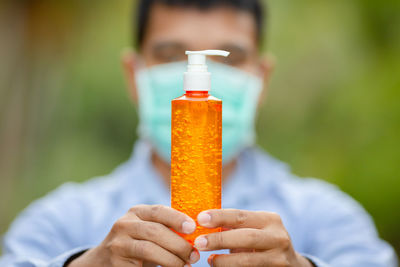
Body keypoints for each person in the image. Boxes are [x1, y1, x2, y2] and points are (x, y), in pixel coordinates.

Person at [0, 0, 397, 266]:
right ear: (133, 75)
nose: (210, 75)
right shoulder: (62, 221)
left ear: (262, 77)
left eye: (232, 57)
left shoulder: (325, 218)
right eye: (172, 55)